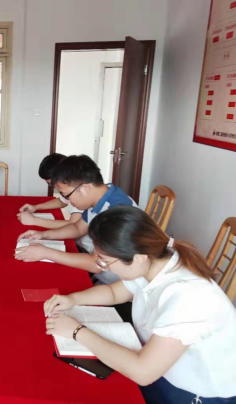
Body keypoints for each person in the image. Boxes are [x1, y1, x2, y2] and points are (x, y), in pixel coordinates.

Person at [43, 206, 236, 404]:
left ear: (138, 258)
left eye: (105, 261)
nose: (104, 267)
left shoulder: (187, 296)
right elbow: (114, 293)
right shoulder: (154, 260)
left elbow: (143, 372)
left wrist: (77, 331)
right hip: (159, 366)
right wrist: (73, 299)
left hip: (196, 391)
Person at [15, 154, 137, 284]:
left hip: (117, 283)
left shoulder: (116, 212)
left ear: (85, 188)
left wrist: (45, 253)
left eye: (67, 195)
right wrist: (43, 234)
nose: (67, 201)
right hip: (102, 275)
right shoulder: (102, 196)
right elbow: (77, 228)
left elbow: (95, 264)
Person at [17, 153, 83, 230]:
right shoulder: (71, 186)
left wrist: (34, 221)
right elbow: (62, 202)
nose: (56, 188)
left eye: (53, 184)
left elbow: (74, 225)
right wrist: (36, 207)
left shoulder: (79, 192)